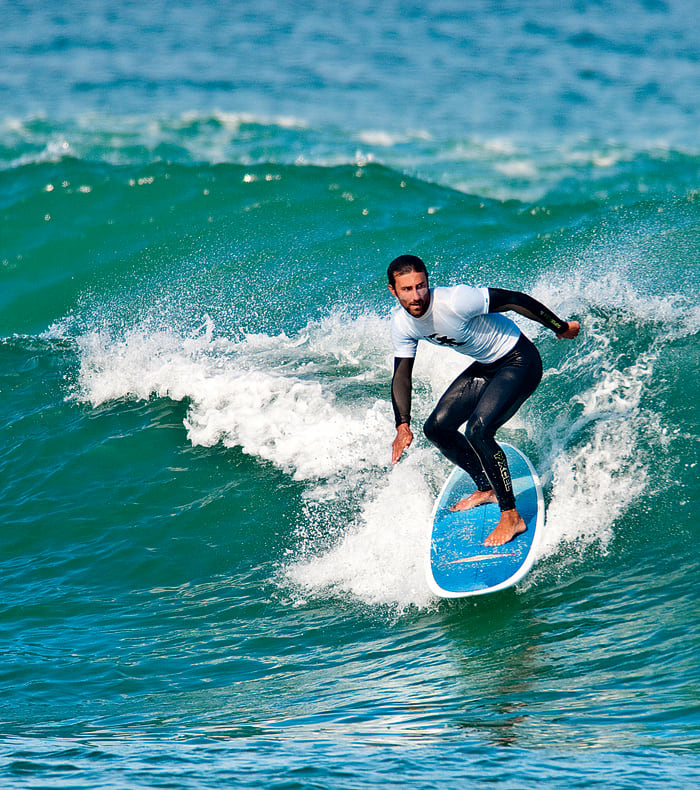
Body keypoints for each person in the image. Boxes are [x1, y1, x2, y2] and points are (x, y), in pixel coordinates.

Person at [388, 254, 580, 547]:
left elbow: (515, 299)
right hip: (487, 367)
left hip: (519, 361)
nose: (417, 296)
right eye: (407, 289)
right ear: (393, 290)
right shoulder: (403, 324)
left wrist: (559, 327)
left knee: (478, 430)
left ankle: (511, 516)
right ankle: (487, 487)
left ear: (428, 282)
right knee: (437, 429)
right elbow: (402, 374)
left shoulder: (456, 301)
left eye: (421, 286)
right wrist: (403, 424)